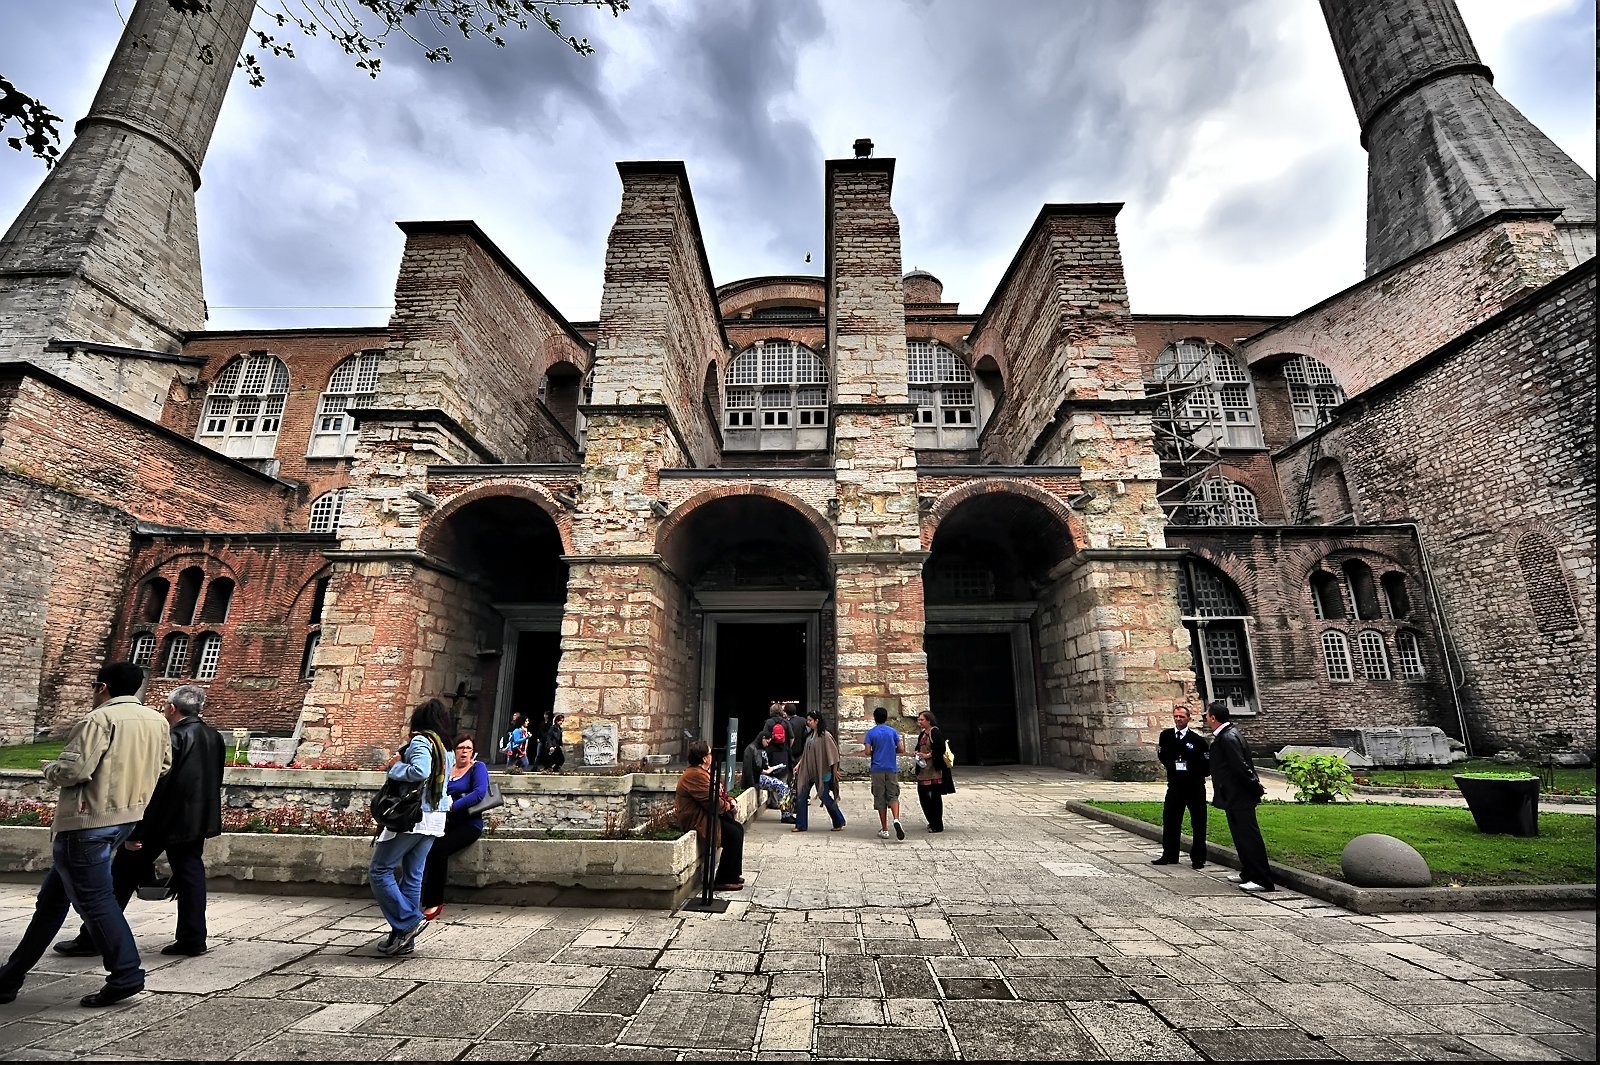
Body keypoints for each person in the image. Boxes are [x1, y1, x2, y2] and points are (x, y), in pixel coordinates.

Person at [0, 662, 171, 1009]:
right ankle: (10, 976)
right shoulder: (157, 720)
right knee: (51, 902)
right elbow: (164, 765)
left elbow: (74, 771)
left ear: (102, 687)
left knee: (94, 901)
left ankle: (126, 973)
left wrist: (49, 768)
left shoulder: (98, 720)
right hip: (125, 817)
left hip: (87, 822)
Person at [54, 684, 224, 961]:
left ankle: (93, 938)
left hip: (161, 821)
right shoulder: (213, 736)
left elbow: (157, 785)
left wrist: (137, 829)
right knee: (191, 877)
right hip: (195, 820)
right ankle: (193, 938)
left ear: (172, 708)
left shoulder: (174, 737)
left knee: (121, 876)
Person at [369, 699, 452, 956]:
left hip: (413, 816)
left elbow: (419, 771)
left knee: (380, 870)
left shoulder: (421, 741)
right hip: (436, 817)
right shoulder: (446, 748)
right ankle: (404, 939)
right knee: (413, 876)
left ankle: (408, 920)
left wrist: (395, 767)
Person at [419, 734, 490, 921]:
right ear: (454, 751)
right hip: (443, 822)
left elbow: (479, 793)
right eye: (461, 748)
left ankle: (434, 901)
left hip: (468, 823)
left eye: (468, 748)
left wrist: (453, 805)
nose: (465, 751)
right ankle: (416, 897)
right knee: (422, 846)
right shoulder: (447, 769)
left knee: (439, 850)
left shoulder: (477, 768)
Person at [1206, 701, 1274, 892]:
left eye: (1207, 715)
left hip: (1239, 795)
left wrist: (1255, 785)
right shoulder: (1226, 735)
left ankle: (1261, 878)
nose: (1206, 718)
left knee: (1248, 837)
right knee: (1240, 837)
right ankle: (1248, 872)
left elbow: (1241, 766)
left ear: (1213, 717)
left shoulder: (1228, 738)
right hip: (1232, 795)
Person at [673, 739, 744, 890]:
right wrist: (729, 805)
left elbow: (720, 795)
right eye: (710, 753)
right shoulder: (694, 775)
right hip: (697, 819)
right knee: (733, 834)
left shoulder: (703, 773)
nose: (712, 756)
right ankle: (723, 879)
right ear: (705, 758)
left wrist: (730, 801)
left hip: (707, 815)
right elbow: (713, 802)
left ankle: (732, 874)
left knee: (737, 829)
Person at [1152, 703, 1210, 870]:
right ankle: (1169, 854)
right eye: (1176, 716)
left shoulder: (1198, 741)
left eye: (1182, 717)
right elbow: (1162, 755)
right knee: (1170, 820)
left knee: (1198, 823)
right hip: (1175, 785)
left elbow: (1206, 766)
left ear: (1188, 719)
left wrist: (1190, 771)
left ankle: (1198, 858)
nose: (1178, 719)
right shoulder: (1166, 736)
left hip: (1194, 787)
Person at [791, 711, 845, 833]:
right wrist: (799, 765)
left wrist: (835, 770)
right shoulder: (810, 736)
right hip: (808, 770)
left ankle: (838, 819)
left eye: (810, 720)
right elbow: (806, 753)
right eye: (808, 720)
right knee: (802, 796)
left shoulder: (825, 736)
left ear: (817, 721)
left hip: (822, 771)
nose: (808, 722)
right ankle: (800, 824)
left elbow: (834, 754)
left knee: (824, 796)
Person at [862, 706, 906, 840]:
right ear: (886, 717)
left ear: (875, 718)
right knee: (893, 795)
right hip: (891, 767)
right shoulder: (893, 732)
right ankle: (896, 819)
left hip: (877, 768)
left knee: (880, 797)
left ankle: (885, 829)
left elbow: (868, 752)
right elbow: (901, 749)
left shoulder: (871, 733)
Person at [913, 710, 954, 833]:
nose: (919, 722)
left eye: (922, 719)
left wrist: (928, 755)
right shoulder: (922, 734)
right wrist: (917, 752)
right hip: (924, 770)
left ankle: (937, 824)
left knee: (935, 797)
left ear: (929, 720)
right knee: (923, 795)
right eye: (919, 719)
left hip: (934, 770)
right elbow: (918, 746)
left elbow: (940, 748)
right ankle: (931, 821)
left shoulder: (934, 732)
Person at [741, 730, 790, 815]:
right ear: (763, 738)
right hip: (757, 779)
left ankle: (786, 812)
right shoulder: (753, 749)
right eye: (767, 741)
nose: (768, 744)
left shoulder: (758, 749)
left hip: (758, 778)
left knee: (783, 787)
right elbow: (750, 769)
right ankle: (786, 814)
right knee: (783, 787)